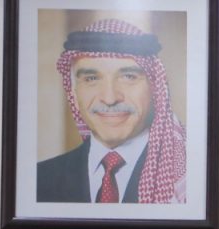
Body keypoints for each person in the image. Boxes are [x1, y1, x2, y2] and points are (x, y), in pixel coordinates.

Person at [37, 19, 187, 204]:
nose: (109, 98)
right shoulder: (40, 179)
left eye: (128, 77)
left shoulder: (187, 177)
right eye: (91, 78)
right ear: (74, 94)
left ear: (155, 89)